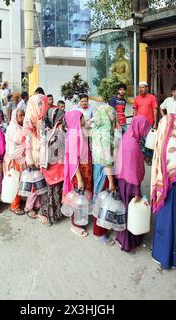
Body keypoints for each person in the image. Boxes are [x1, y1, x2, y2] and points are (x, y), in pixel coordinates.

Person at [150, 114, 176, 268]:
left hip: (163, 190)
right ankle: (170, 260)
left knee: (164, 226)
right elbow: (175, 175)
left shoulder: (162, 141)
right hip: (174, 193)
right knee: (173, 226)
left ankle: (159, 254)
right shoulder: (174, 143)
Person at [115, 116, 151, 251]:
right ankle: (128, 242)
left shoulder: (127, 137)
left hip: (123, 180)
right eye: (145, 129)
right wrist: (136, 191)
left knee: (125, 209)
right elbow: (134, 170)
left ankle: (122, 237)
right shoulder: (134, 146)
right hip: (131, 184)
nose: (145, 132)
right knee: (131, 212)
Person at [91, 104, 119, 246]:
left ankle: (100, 229)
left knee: (98, 198)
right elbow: (107, 160)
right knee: (104, 201)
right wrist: (112, 181)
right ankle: (99, 233)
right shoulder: (106, 132)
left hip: (97, 168)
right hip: (105, 171)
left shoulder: (96, 129)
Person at [63, 109, 92, 237]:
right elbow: (73, 160)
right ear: (76, 120)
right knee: (77, 197)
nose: (84, 119)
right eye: (81, 117)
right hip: (78, 172)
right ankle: (75, 225)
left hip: (84, 169)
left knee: (82, 197)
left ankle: (81, 218)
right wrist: (79, 178)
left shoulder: (78, 133)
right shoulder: (73, 135)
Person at [23, 91, 48, 219]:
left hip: (42, 154)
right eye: (39, 103)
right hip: (33, 154)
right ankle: (28, 207)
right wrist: (30, 160)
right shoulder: (29, 118)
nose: (41, 105)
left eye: (42, 103)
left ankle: (37, 203)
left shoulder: (42, 117)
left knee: (40, 181)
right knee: (34, 182)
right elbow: (27, 140)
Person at [39, 108, 66, 226]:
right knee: (50, 191)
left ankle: (56, 213)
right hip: (49, 166)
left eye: (62, 120)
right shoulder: (46, 132)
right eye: (59, 120)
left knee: (56, 191)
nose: (61, 122)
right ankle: (46, 214)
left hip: (57, 166)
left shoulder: (59, 131)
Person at [4, 108, 27, 215]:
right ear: (15, 117)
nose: (23, 118)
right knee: (15, 182)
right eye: (20, 116)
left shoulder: (22, 127)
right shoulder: (13, 129)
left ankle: (18, 200)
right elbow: (12, 149)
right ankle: (14, 206)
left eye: (24, 115)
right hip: (14, 160)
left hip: (21, 159)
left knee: (20, 182)